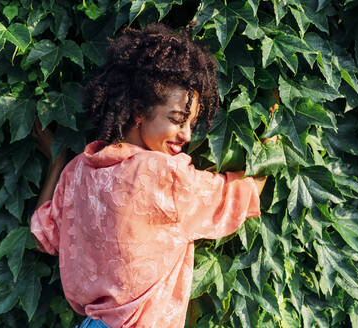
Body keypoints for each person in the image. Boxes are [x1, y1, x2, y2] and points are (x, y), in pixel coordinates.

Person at [30, 23, 272, 328]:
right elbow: (241, 194)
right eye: (176, 119)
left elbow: (42, 236)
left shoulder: (77, 170)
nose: (186, 134)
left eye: (192, 124)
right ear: (139, 110)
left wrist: (56, 162)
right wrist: (274, 138)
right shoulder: (162, 174)